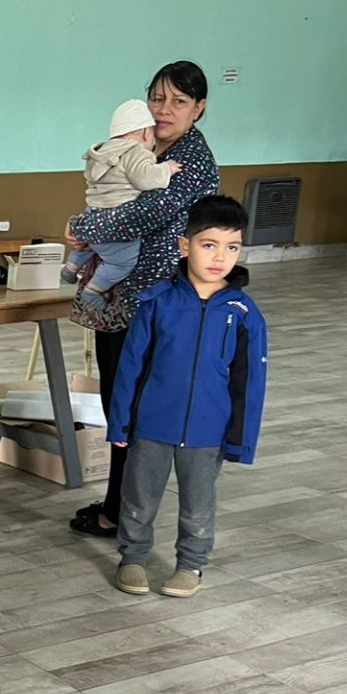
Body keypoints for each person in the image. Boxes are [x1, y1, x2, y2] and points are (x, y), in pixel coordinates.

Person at [65, 61, 220, 539]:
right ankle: (118, 504)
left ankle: (124, 515)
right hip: (122, 298)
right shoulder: (137, 146)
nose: (164, 110)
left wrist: (80, 228)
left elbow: (138, 216)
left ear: (199, 109)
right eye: (157, 99)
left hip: (159, 304)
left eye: (178, 101)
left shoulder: (192, 163)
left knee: (138, 412)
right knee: (119, 404)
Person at [109, 196, 267, 599]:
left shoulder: (244, 312)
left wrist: (240, 440)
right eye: (208, 244)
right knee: (139, 500)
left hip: (207, 432)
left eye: (231, 247)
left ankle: (191, 566)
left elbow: (249, 383)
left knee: (199, 506)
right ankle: (132, 559)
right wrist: (121, 423)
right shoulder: (156, 303)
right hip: (152, 426)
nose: (220, 257)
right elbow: (131, 368)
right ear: (185, 246)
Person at [60, 100, 182, 312]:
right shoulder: (135, 152)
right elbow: (145, 179)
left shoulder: (101, 152)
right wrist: (167, 169)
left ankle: (70, 268)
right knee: (121, 262)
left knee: (88, 243)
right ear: (146, 132)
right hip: (117, 218)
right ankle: (94, 290)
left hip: (92, 212)